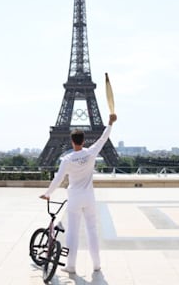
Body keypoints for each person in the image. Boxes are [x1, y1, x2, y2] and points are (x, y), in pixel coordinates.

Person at [39, 113, 117, 274]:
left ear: (72, 141)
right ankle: (96, 264)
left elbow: (58, 179)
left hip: (74, 197)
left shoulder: (67, 159)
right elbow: (103, 138)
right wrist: (110, 123)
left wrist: (48, 193)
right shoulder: (91, 153)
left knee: (73, 232)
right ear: (83, 140)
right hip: (89, 197)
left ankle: (71, 265)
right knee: (92, 230)